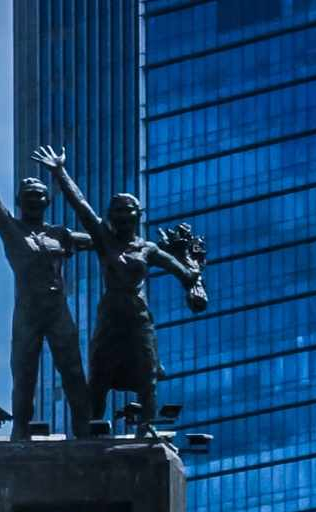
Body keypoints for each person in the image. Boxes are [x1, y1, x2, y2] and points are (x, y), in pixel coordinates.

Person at [0, 113, 93, 440]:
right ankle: (20, 434)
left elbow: (105, 240)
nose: (34, 200)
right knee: (24, 375)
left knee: (73, 372)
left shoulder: (60, 234)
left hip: (57, 310)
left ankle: (86, 431)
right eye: (28, 196)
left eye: (39, 195)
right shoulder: (11, 229)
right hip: (28, 311)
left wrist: (61, 173)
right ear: (20, 202)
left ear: (47, 201)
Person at [33, 144, 204, 430]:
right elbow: (81, 206)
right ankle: (92, 430)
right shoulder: (104, 240)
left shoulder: (148, 249)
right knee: (99, 375)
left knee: (147, 374)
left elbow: (186, 275)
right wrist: (59, 171)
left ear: (138, 215)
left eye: (129, 211)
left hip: (138, 317)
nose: (123, 216)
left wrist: (193, 267)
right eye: (118, 212)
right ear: (111, 216)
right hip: (110, 315)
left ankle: (147, 426)